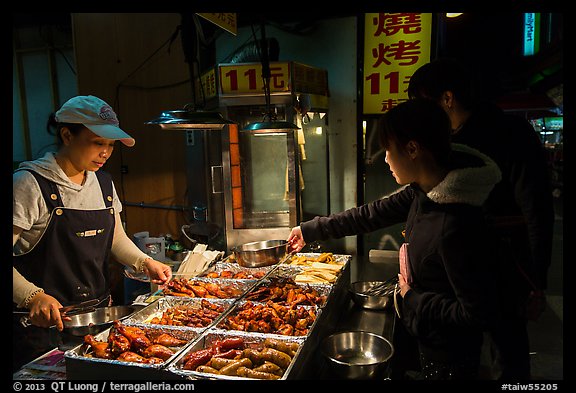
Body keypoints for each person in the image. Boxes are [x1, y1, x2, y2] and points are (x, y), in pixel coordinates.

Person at [288, 98, 502, 380]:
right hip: (421, 334)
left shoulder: (455, 222)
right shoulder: (423, 190)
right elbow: (370, 215)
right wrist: (311, 229)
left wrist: (413, 298)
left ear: (412, 149)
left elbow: (476, 313)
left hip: (448, 359)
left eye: (389, 149)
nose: (385, 158)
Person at [407, 58, 555, 380]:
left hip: (506, 261)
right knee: (483, 347)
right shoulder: (449, 138)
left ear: (447, 99)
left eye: (422, 103)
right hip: (463, 265)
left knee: (508, 348)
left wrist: (536, 280)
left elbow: (536, 209)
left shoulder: (509, 133)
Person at [13, 95, 172, 371]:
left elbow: (116, 238)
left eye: (110, 145)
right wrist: (32, 296)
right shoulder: (29, 184)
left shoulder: (103, 183)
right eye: (98, 143)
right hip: (42, 329)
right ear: (67, 135)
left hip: (97, 318)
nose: (106, 153)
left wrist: (144, 262)